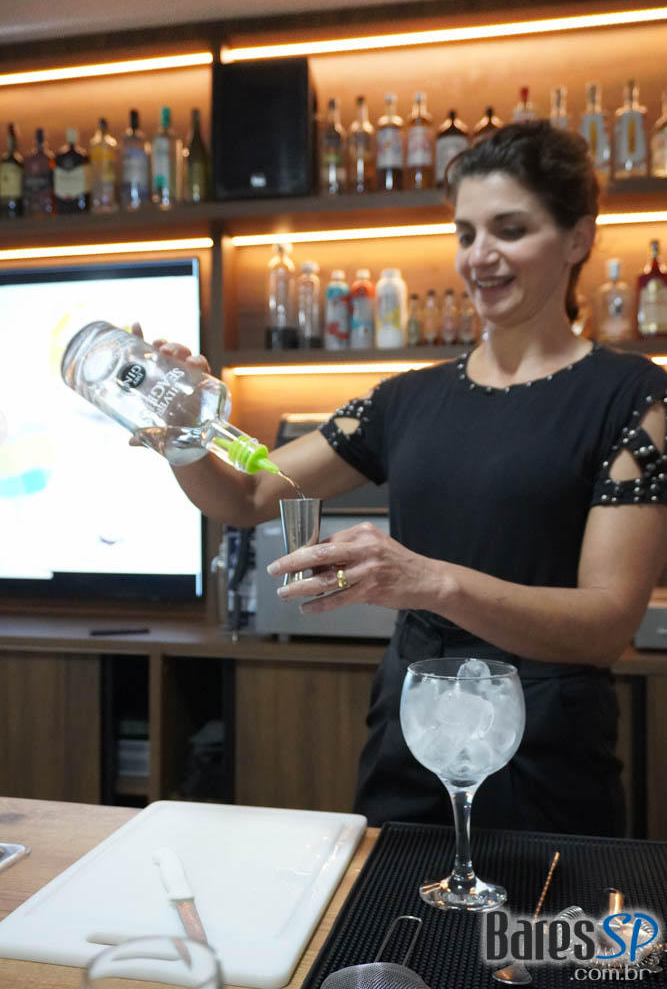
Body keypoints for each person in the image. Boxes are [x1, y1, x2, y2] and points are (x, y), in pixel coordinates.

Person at [152, 121, 667, 837]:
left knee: (538, 912)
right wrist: (179, 432)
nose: (479, 256)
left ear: (577, 238)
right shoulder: (406, 399)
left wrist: (428, 582)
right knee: (393, 906)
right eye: (466, 234)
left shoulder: (634, 398)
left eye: (510, 229)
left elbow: (605, 626)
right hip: (413, 733)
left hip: (547, 745)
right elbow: (245, 496)